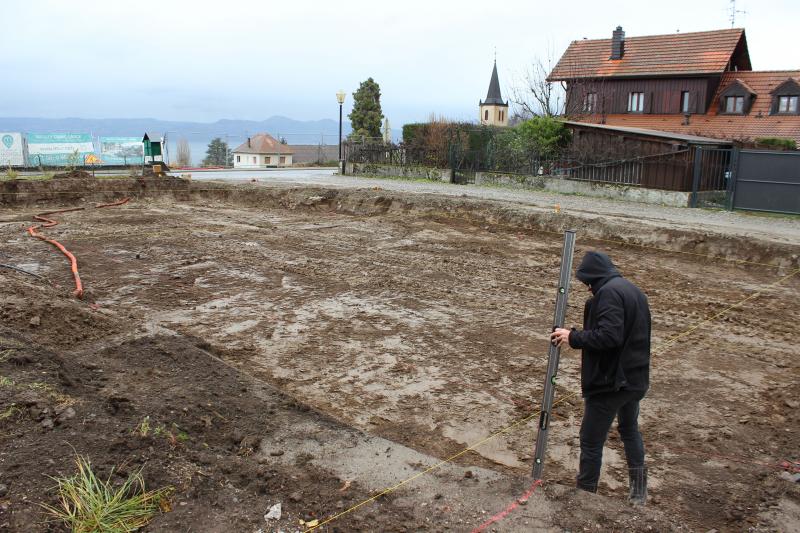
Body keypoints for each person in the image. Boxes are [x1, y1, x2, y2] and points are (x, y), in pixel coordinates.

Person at [550, 250, 651, 505]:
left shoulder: (608, 294)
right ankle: (639, 492)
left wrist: (573, 337)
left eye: (588, 283)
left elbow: (609, 336)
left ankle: (585, 497)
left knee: (591, 440)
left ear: (593, 278)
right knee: (629, 430)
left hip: (611, 383)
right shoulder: (633, 290)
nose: (588, 288)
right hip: (635, 378)